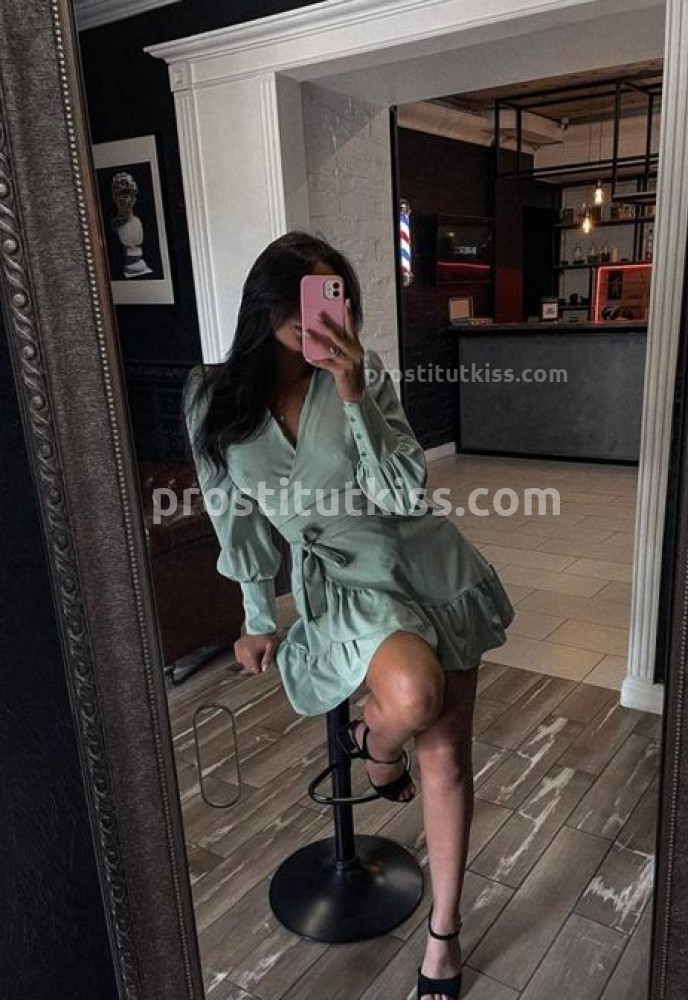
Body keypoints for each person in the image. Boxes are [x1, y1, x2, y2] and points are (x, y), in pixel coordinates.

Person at [183, 231, 515, 1000]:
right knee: (413, 696)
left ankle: (444, 934)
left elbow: (404, 492)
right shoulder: (211, 392)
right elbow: (234, 516)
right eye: (300, 300)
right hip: (341, 581)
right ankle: (377, 748)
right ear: (265, 303)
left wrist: (357, 392)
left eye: (331, 300)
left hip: (426, 562)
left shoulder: (362, 377)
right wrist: (256, 614)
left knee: (448, 759)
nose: (315, 318)